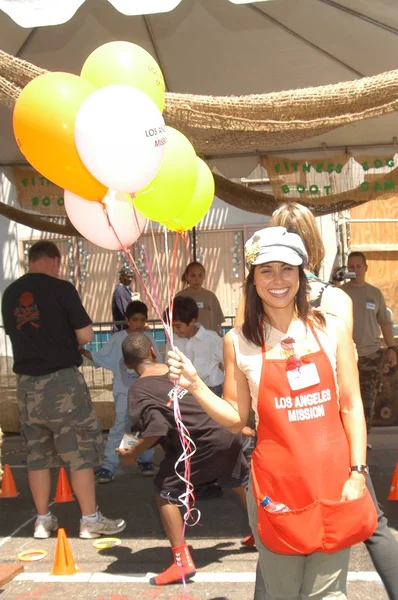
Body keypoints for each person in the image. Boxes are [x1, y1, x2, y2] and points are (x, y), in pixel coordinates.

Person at [169, 226, 377, 600]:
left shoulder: (331, 329)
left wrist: (358, 472)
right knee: (281, 593)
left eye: (287, 269)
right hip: (275, 490)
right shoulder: (238, 342)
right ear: (252, 279)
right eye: (266, 270)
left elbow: (351, 404)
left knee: (328, 594)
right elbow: (236, 417)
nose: (278, 280)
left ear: (301, 275)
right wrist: (195, 384)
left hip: (334, 483)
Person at [258, 202, 398, 600]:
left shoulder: (264, 294)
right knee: (371, 523)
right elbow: (345, 379)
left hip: (283, 435)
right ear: (316, 244)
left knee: (276, 530)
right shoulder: (335, 299)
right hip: (328, 434)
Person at [1, 241, 126, 539]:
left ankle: (43, 520)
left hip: (26, 384)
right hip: (61, 384)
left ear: (30, 260)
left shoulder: (9, 294)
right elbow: (85, 333)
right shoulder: (61, 289)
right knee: (79, 452)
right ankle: (89, 519)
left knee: (37, 455)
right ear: (54, 260)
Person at [117, 332, 251, 587]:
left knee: (164, 493)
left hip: (201, 442)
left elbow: (154, 428)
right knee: (240, 481)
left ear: (126, 365)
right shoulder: (177, 370)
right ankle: (261, 533)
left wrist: (129, 452)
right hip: (225, 430)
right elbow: (200, 401)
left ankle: (181, 562)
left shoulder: (138, 389)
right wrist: (239, 426)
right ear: (154, 352)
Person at [81, 301, 161, 482]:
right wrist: (81, 350)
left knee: (145, 427)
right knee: (120, 427)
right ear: (126, 320)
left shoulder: (150, 341)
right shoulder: (117, 339)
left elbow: (157, 366)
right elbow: (101, 356)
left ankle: (144, 459)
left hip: (146, 393)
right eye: (135, 320)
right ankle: (109, 465)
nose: (139, 324)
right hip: (124, 392)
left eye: (142, 320)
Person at [342, 251, 397, 432]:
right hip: (346, 356)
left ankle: (364, 440)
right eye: (351, 267)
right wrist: (335, 282)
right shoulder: (340, 293)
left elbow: (384, 322)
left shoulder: (374, 293)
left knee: (368, 401)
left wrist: (392, 348)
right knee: (345, 401)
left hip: (371, 357)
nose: (355, 270)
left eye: (358, 266)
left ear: (365, 268)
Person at [165, 296, 224, 396]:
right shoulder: (173, 340)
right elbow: (168, 365)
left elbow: (228, 364)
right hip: (184, 389)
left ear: (192, 321)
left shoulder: (212, 339)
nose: (175, 330)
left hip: (211, 389)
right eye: (172, 326)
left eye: (178, 326)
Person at [176, 261, 224, 335]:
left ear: (204, 276)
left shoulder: (211, 297)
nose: (197, 279)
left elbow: (218, 323)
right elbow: (175, 323)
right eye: (193, 276)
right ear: (187, 277)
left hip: (209, 340)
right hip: (187, 342)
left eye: (200, 275)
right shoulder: (180, 297)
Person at [111, 266, 140, 331]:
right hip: (122, 329)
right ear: (121, 276)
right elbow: (125, 310)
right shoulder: (120, 290)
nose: (130, 279)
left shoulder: (128, 289)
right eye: (127, 276)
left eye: (131, 277)